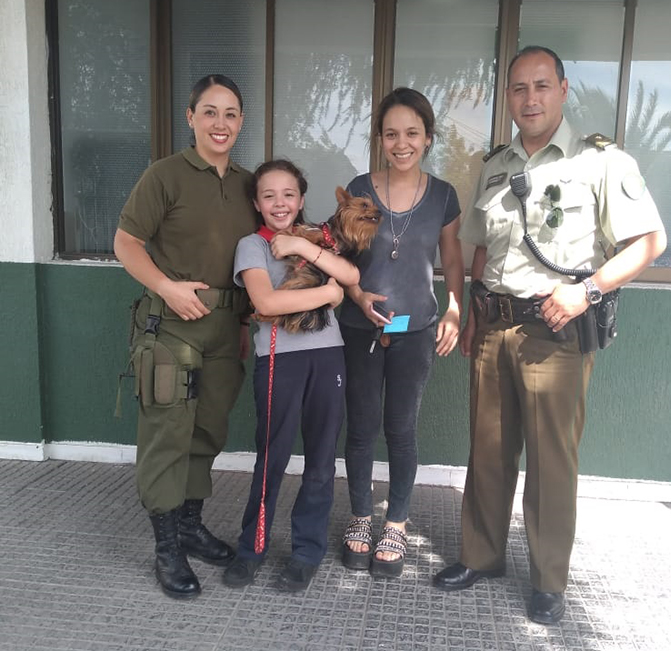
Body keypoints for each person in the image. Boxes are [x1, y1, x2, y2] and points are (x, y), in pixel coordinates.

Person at [432, 46, 667, 624]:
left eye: (541, 86)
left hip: (556, 331)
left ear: (563, 89)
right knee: (488, 450)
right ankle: (481, 556)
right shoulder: (496, 165)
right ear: (509, 97)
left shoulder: (601, 162)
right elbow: (483, 246)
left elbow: (649, 241)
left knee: (550, 460)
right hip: (495, 325)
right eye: (519, 88)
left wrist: (587, 291)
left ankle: (548, 579)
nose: (530, 98)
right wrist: (473, 312)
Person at [114, 74, 257, 599]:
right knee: (169, 432)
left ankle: (191, 525)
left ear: (241, 122)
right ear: (191, 117)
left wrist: (243, 323)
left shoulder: (247, 184)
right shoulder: (165, 175)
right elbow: (126, 242)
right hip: (172, 326)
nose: (221, 123)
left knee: (207, 430)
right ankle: (167, 546)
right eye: (210, 112)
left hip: (226, 327)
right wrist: (166, 287)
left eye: (231, 113)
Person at [339, 87, 465, 578]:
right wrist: (356, 296)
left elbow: (451, 259)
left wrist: (454, 310)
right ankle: (360, 516)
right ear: (380, 139)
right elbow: (342, 256)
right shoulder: (359, 188)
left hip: (416, 332)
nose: (401, 143)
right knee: (361, 426)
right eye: (391, 134)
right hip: (360, 327)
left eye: (412, 133)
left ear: (428, 137)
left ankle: (395, 522)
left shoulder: (443, 196)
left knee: (401, 428)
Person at [223, 159, 360, 592]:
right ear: (256, 203)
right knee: (272, 457)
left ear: (301, 200)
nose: (279, 203)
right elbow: (265, 303)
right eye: (269, 196)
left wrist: (302, 247)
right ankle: (252, 548)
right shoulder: (252, 245)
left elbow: (351, 275)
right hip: (278, 360)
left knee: (321, 459)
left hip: (328, 356)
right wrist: (327, 294)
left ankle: (307, 551)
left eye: (288, 194)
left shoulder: (316, 239)